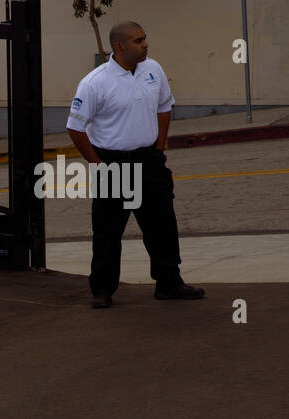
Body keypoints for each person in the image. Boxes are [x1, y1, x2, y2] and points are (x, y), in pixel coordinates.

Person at [65, 21, 204, 308]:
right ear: (119, 46)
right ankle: (102, 289)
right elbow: (75, 128)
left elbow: (164, 106)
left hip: (148, 160)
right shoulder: (95, 82)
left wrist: (159, 147)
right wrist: (98, 165)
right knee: (107, 230)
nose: (145, 45)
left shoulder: (153, 69)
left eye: (144, 39)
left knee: (162, 225)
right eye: (138, 41)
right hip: (112, 163)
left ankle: (169, 283)